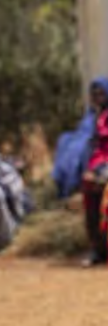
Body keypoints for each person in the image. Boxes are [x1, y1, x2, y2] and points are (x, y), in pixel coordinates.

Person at [80, 79, 108, 266]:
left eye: (101, 94)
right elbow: (83, 144)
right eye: (94, 94)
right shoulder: (90, 119)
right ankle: (96, 249)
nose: (97, 98)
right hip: (98, 165)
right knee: (90, 189)